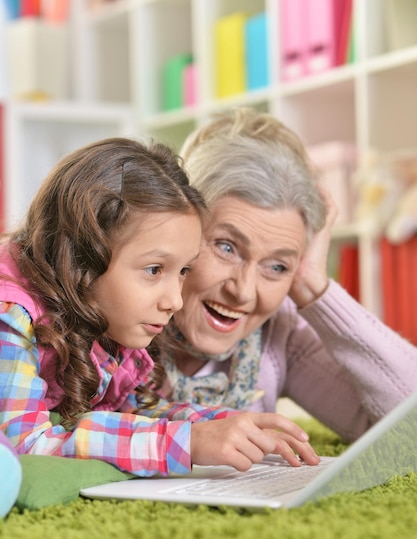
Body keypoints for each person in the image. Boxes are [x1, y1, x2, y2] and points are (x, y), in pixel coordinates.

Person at [0, 136, 318, 478]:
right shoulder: (11, 316)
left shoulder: (105, 315)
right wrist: (183, 443)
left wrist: (223, 424)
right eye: (154, 270)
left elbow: (135, 410)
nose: (175, 301)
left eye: (183, 271)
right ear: (82, 258)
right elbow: (25, 446)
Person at [159, 107, 417, 443]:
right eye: (226, 247)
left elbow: (408, 428)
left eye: (277, 266)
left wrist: (312, 284)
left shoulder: (279, 332)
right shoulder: (117, 314)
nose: (245, 292)